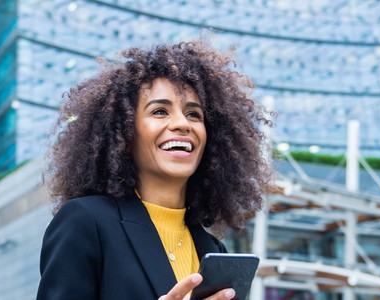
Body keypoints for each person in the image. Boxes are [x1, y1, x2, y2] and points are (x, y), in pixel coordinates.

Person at [37, 40, 273, 300]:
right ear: (125, 131)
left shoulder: (211, 248)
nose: (183, 124)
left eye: (194, 115)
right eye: (160, 111)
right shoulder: (86, 221)